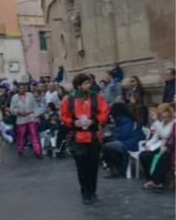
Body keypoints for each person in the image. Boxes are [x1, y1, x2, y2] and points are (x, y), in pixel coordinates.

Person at [60, 73, 109, 204]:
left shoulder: (97, 97)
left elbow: (104, 112)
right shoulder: (68, 99)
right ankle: (85, 193)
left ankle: (92, 191)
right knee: (82, 166)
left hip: (93, 137)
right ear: (78, 85)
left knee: (93, 166)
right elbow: (64, 115)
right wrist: (72, 122)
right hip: (77, 137)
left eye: (89, 83)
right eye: (86, 83)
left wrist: (95, 121)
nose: (89, 85)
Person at [102, 103, 145, 177]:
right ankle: (115, 167)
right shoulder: (124, 119)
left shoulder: (125, 120)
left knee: (106, 146)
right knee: (107, 145)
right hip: (129, 141)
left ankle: (115, 167)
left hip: (130, 143)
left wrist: (113, 135)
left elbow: (124, 135)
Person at [140, 103, 175, 191]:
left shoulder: (173, 122)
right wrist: (148, 144)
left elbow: (165, 134)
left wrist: (156, 122)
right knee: (144, 155)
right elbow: (156, 136)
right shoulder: (162, 122)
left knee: (163, 157)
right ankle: (150, 178)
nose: (165, 119)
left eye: (166, 116)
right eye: (162, 117)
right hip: (161, 145)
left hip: (167, 147)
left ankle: (157, 181)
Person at [10, 83, 43, 158]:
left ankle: (38, 152)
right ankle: (20, 149)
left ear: (25, 89)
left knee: (34, 135)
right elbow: (11, 108)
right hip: (21, 119)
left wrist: (36, 116)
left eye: (23, 88)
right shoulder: (14, 97)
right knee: (21, 136)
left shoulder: (30, 95)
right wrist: (17, 112)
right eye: (20, 88)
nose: (22, 90)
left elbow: (35, 106)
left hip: (30, 117)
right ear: (18, 89)